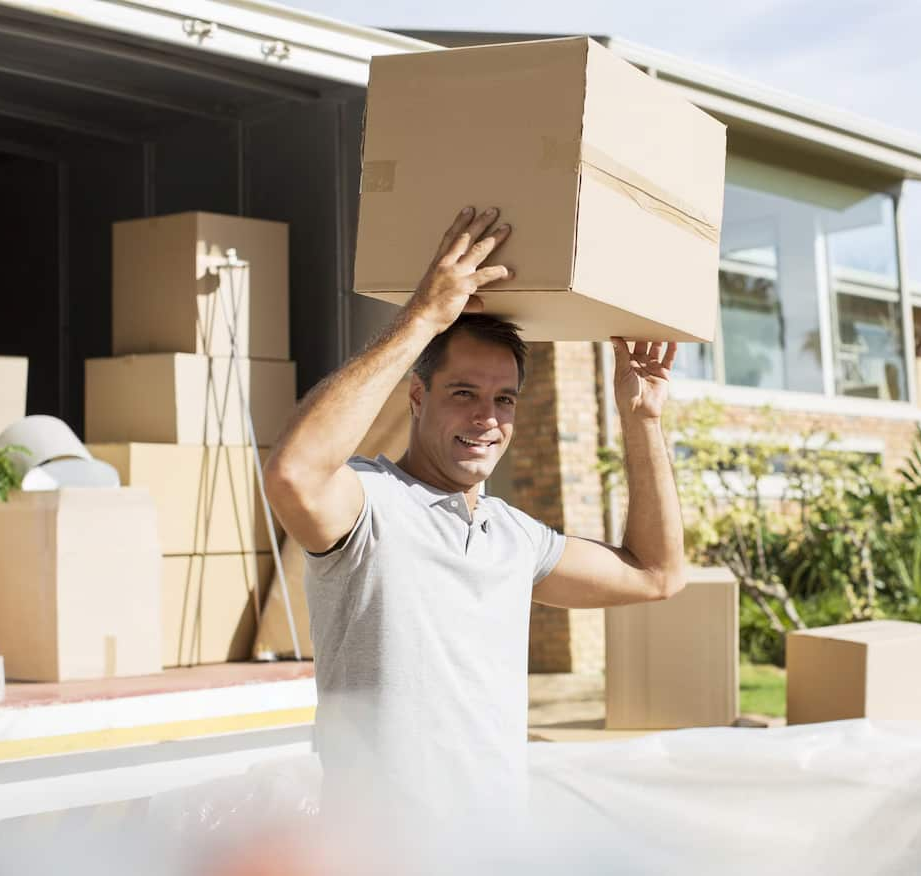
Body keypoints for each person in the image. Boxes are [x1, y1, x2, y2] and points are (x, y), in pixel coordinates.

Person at [263, 206, 686, 828]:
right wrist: (423, 317)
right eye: (464, 393)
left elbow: (657, 573)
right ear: (417, 396)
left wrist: (641, 420)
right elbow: (294, 473)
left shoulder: (515, 537)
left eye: (504, 399)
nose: (487, 418)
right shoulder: (372, 506)